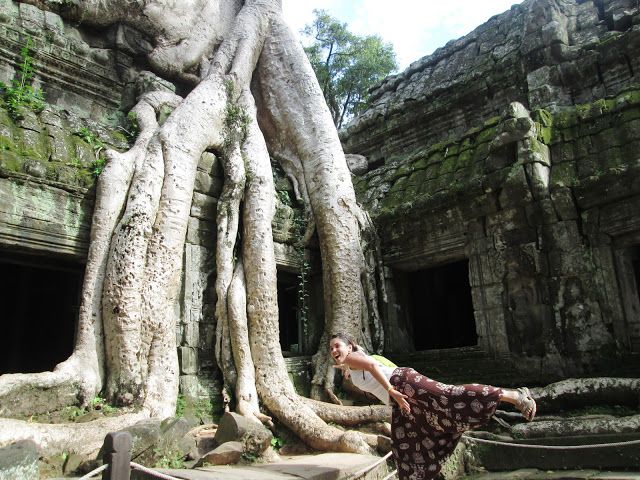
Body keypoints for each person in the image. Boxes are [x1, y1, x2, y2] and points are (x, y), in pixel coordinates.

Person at [329, 333, 536, 480]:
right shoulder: (352, 361)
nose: (333, 350)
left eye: (337, 345)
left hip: (402, 385)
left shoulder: (353, 357)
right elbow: (366, 364)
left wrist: (391, 391)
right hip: (398, 397)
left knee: (450, 396)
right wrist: (348, 367)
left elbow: (373, 366)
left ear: (350, 346)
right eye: (331, 348)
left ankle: (514, 395)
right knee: (406, 443)